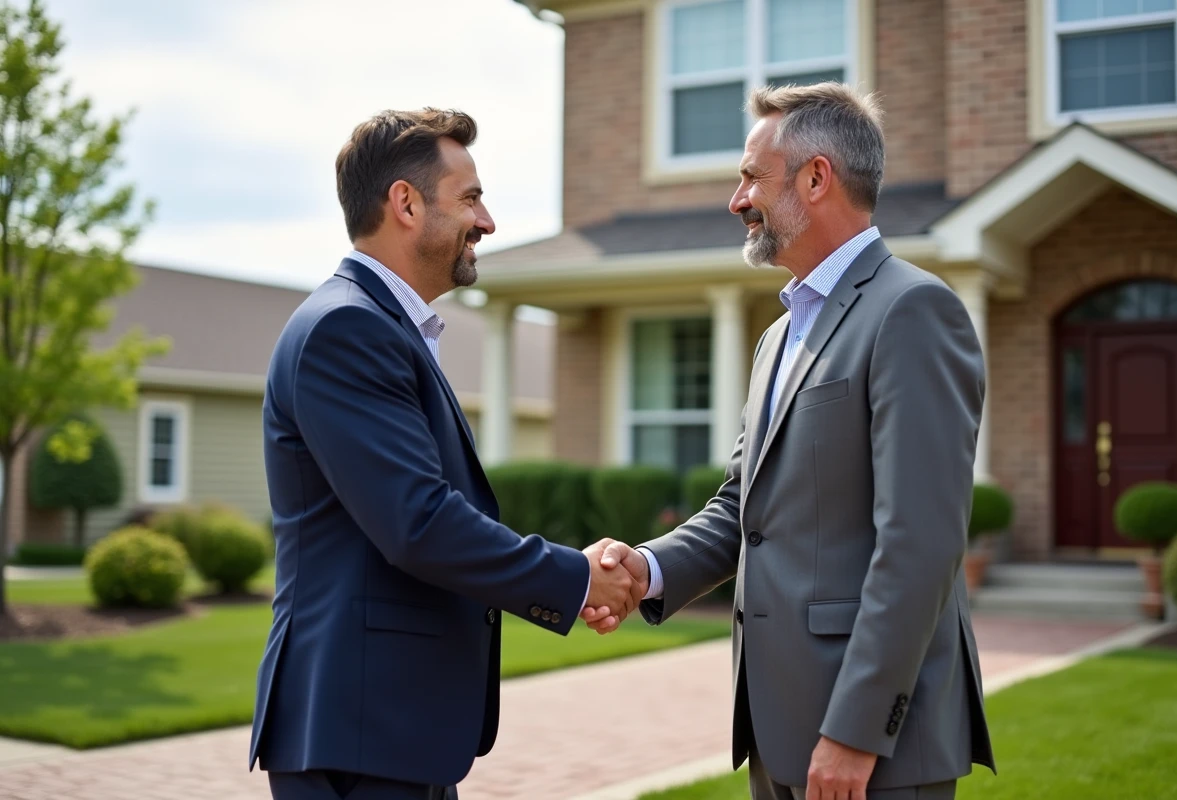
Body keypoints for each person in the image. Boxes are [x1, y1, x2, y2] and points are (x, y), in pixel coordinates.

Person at [585, 82, 997, 800]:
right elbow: (743, 507)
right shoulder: (778, 336)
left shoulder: (913, 310)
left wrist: (857, 731)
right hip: (777, 726)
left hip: (871, 745)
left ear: (816, 178)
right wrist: (646, 569)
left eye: (752, 176)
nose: (737, 200)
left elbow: (921, 544)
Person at [249, 108, 640, 800]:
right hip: (359, 729)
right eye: (470, 199)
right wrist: (576, 578)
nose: (486, 222)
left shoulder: (380, 326)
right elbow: (419, 521)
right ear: (405, 203)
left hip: (390, 731)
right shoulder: (349, 329)